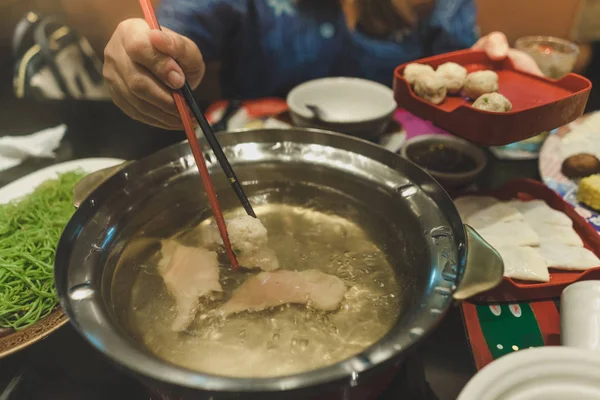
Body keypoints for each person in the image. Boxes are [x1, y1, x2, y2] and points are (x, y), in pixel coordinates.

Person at [102, 0, 542, 130]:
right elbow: (178, 27)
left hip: (394, 169)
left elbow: (461, 82)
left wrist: (500, 73)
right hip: (257, 160)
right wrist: (147, 48)